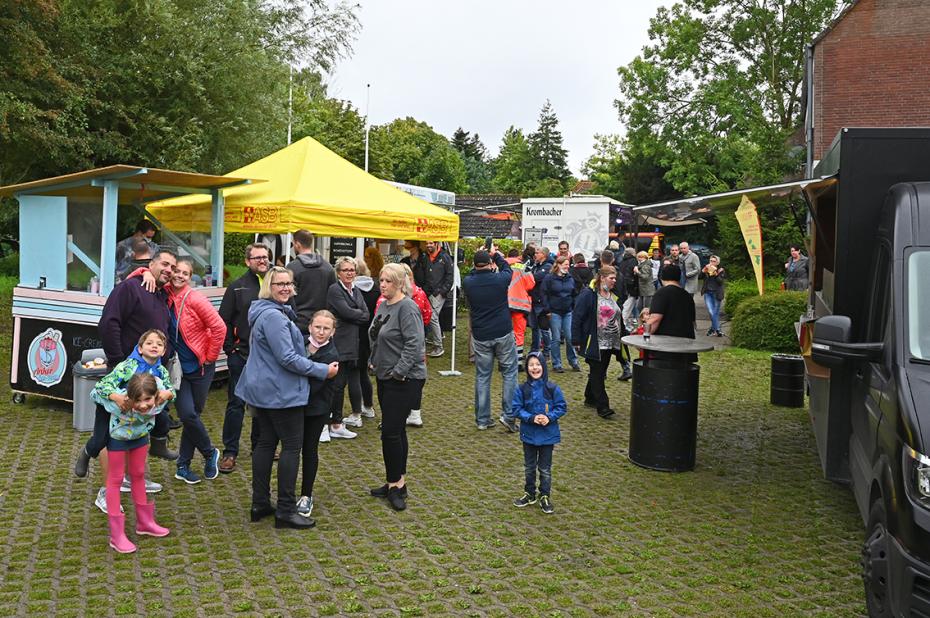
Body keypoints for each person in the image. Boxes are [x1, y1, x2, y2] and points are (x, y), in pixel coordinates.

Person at [236, 266, 338, 530]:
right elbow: (288, 358)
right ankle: (285, 510)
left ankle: (260, 503)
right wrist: (322, 370)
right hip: (280, 392)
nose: (284, 288)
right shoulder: (274, 318)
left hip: (265, 390)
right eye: (279, 283)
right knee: (291, 447)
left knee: (266, 443)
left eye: (288, 283)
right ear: (268, 286)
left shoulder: (267, 312)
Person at [76, 251, 178, 513]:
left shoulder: (160, 294)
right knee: (109, 433)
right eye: (164, 264)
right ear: (150, 264)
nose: (169, 269)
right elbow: (109, 323)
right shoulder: (130, 288)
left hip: (148, 377)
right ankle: (104, 490)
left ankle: (133, 478)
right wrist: (119, 361)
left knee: (138, 428)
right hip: (123, 373)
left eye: (172, 266)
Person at [368, 263, 427, 511]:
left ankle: (395, 485)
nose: (383, 285)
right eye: (381, 280)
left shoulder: (408, 308)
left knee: (390, 432)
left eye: (388, 281)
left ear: (401, 283)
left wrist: (399, 372)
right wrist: (374, 360)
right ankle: (398, 481)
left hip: (403, 379)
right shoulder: (384, 304)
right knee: (396, 431)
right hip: (384, 375)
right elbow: (377, 334)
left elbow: (415, 344)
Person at [93, 372, 172, 553]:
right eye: (138, 401)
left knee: (138, 474)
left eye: (147, 400)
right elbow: (96, 391)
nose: (143, 405)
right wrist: (115, 396)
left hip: (141, 437)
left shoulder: (159, 400)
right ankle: (117, 535)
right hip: (118, 439)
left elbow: (168, 386)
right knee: (115, 479)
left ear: (155, 396)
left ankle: (145, 523)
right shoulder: (118, 403)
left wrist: (169, 393)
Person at [167, 257, 227, 484]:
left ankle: (183, 466)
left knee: (193, 416)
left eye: (185, 273)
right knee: (187, 415)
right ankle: (210, 452)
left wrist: (210, 357)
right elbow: (145, 271)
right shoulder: (166, 295)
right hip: (179, 370)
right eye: (177, 271)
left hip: (201, 367)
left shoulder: (195, 298)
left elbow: (219, 327)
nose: (180, 276)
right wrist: (142, 272)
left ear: (190, 277)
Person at [218, 243, 271, 474]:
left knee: (262, 403)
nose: (262, 261)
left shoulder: (277, 285)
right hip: (242, 354)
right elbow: (224, 321)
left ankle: (260, 446)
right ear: (247, 261)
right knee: (236, 404)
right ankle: (230, 451)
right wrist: (230, 349)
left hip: (268, 357)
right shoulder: (237, 287)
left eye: (265, 257)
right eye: (257, 257)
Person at [462, 249, 519, 431]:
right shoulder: (500, 279)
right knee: (510, 373)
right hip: (502, 330)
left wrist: (482, 259)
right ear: (490, 263)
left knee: (483, 376)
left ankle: (482, 419)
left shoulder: (469, 282)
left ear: (474, 265)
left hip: (481, 335)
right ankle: (509, 415)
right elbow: (508, 269)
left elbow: (473, 273)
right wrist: (495, 255)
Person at [297, 310, 341, 519]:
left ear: (332, 332)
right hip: (293, 408)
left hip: (316, 410)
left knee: (309, 450)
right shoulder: (298, 343)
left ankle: (306, 495)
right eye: (317, 327)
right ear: (310, 326)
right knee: (290, 450)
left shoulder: (332, 356)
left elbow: (314, 386)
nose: (321, 332)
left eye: (326, 328)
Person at [511, 352, 566, 515]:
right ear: (527, 368)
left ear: (543, 366)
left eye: (538, 364)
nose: (535, 368)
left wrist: (549, 417)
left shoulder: (552, 388)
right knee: (529, 467)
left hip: (548, 436)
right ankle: (529, 493)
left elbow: (561, 407)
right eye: (531, 365)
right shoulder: (522, 389)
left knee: (545, 469)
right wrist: (531, 418)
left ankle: (545, 495)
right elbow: (516, 409)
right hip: (529, 435)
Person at [324, 257, 367, 440]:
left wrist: (354, 314)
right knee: (337, 385)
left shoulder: (355, 290)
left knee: (344, 384)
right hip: (339, 344)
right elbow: (346, 312)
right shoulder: (335, 289)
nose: (350, 273)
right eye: (346, 270)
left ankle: (337, 422)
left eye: (352, 270)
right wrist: (355, 313)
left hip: (352, 344)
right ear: (338, 273)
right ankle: (333, 423)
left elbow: (366, 314)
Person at [572, 265, 624, 419]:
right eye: (612, 278)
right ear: (602, 278)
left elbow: (618, 316)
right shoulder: (589, 294)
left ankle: (589, 397)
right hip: (594, 341)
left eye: (615, 278)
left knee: (599, 372)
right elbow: (577, 317)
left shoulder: (612, 295)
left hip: (611, 342)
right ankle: (603, 406)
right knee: (597, 372)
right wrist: (575, 339)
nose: (614, 281)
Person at [644, 264, 697, 362]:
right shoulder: (687, 296)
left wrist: (644, 337)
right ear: (679, 277)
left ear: (662, 277)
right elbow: (693, 323)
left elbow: (655, 319)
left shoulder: (662, 293)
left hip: (665, 349)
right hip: (686, 348)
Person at [287, 229, 336, 334]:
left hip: (298, 324)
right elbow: (333, 297)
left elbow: (287, 297)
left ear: (297, 244)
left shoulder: (292, 268)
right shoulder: (328, 267)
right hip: (323, 326)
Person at [541, 256, 580, 373]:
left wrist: (574, 306)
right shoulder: (549, 278)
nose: (567, 267)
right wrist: (547, 309)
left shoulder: (570, 278)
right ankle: (556, 363)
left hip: (568, 311)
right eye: (565, 264)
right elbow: (543, 294)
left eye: (568, 265)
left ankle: (573, 361)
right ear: (558, 265)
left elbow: (574, 293)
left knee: (569, 337)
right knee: (556, 338)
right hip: (554, 312)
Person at [355, 258, 380, 420]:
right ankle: (369, 406)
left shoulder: (352, 290)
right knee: (363, 372)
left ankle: (357, 411)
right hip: (370, 334)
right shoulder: (376, 288)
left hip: (355, 334)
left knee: (354, 374)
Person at [422, 240, 454, 357]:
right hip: (429, 292)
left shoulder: (445, 257)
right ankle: (434, 340)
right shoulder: (426, 257)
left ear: (437, 244)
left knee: (432, 317)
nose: (428, 245)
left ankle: (438, 346)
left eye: (431, 243)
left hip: (439, 293)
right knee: (430, 316)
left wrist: (442, 291)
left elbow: (450, 277)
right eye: (427, 243)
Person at [506, 249, 535, 368]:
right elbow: (531, 284)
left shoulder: (500, 265)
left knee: (506, 334)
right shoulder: (522, 267)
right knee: (519, 333)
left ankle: (505, 362)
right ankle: (517, 363)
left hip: (503, 304)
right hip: (519, 305)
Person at [528, 246, 553, 359]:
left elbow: (535, 278)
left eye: (537, 253)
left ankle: (547, 351)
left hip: (541, 302)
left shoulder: (547, 266)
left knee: (544, 329)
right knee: (534, 328)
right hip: (533, 300)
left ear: (544, 254)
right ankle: (534, 350)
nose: (535, 255)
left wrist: (528, 275)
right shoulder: (535, 266)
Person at [701, 255, 726, 337]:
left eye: (714, 261)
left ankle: (713, 329)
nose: (712, 262)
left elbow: (720, 282)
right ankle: (717, 329)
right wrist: (703, 272)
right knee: (711, 312)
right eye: (711, 260)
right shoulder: (707, 268)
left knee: (714, 313)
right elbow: (699, 277)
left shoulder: (720, 270)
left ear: (717, 262)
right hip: (708, 292)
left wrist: (716, 274)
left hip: (716, 293)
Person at [618, 247, 639, 330]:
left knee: (625, 305)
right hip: (631, 286)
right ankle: (623, 324)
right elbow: (633, 274)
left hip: (623, 285)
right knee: (628, 306)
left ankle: (624, 322)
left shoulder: (622, 260)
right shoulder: (633, 260)